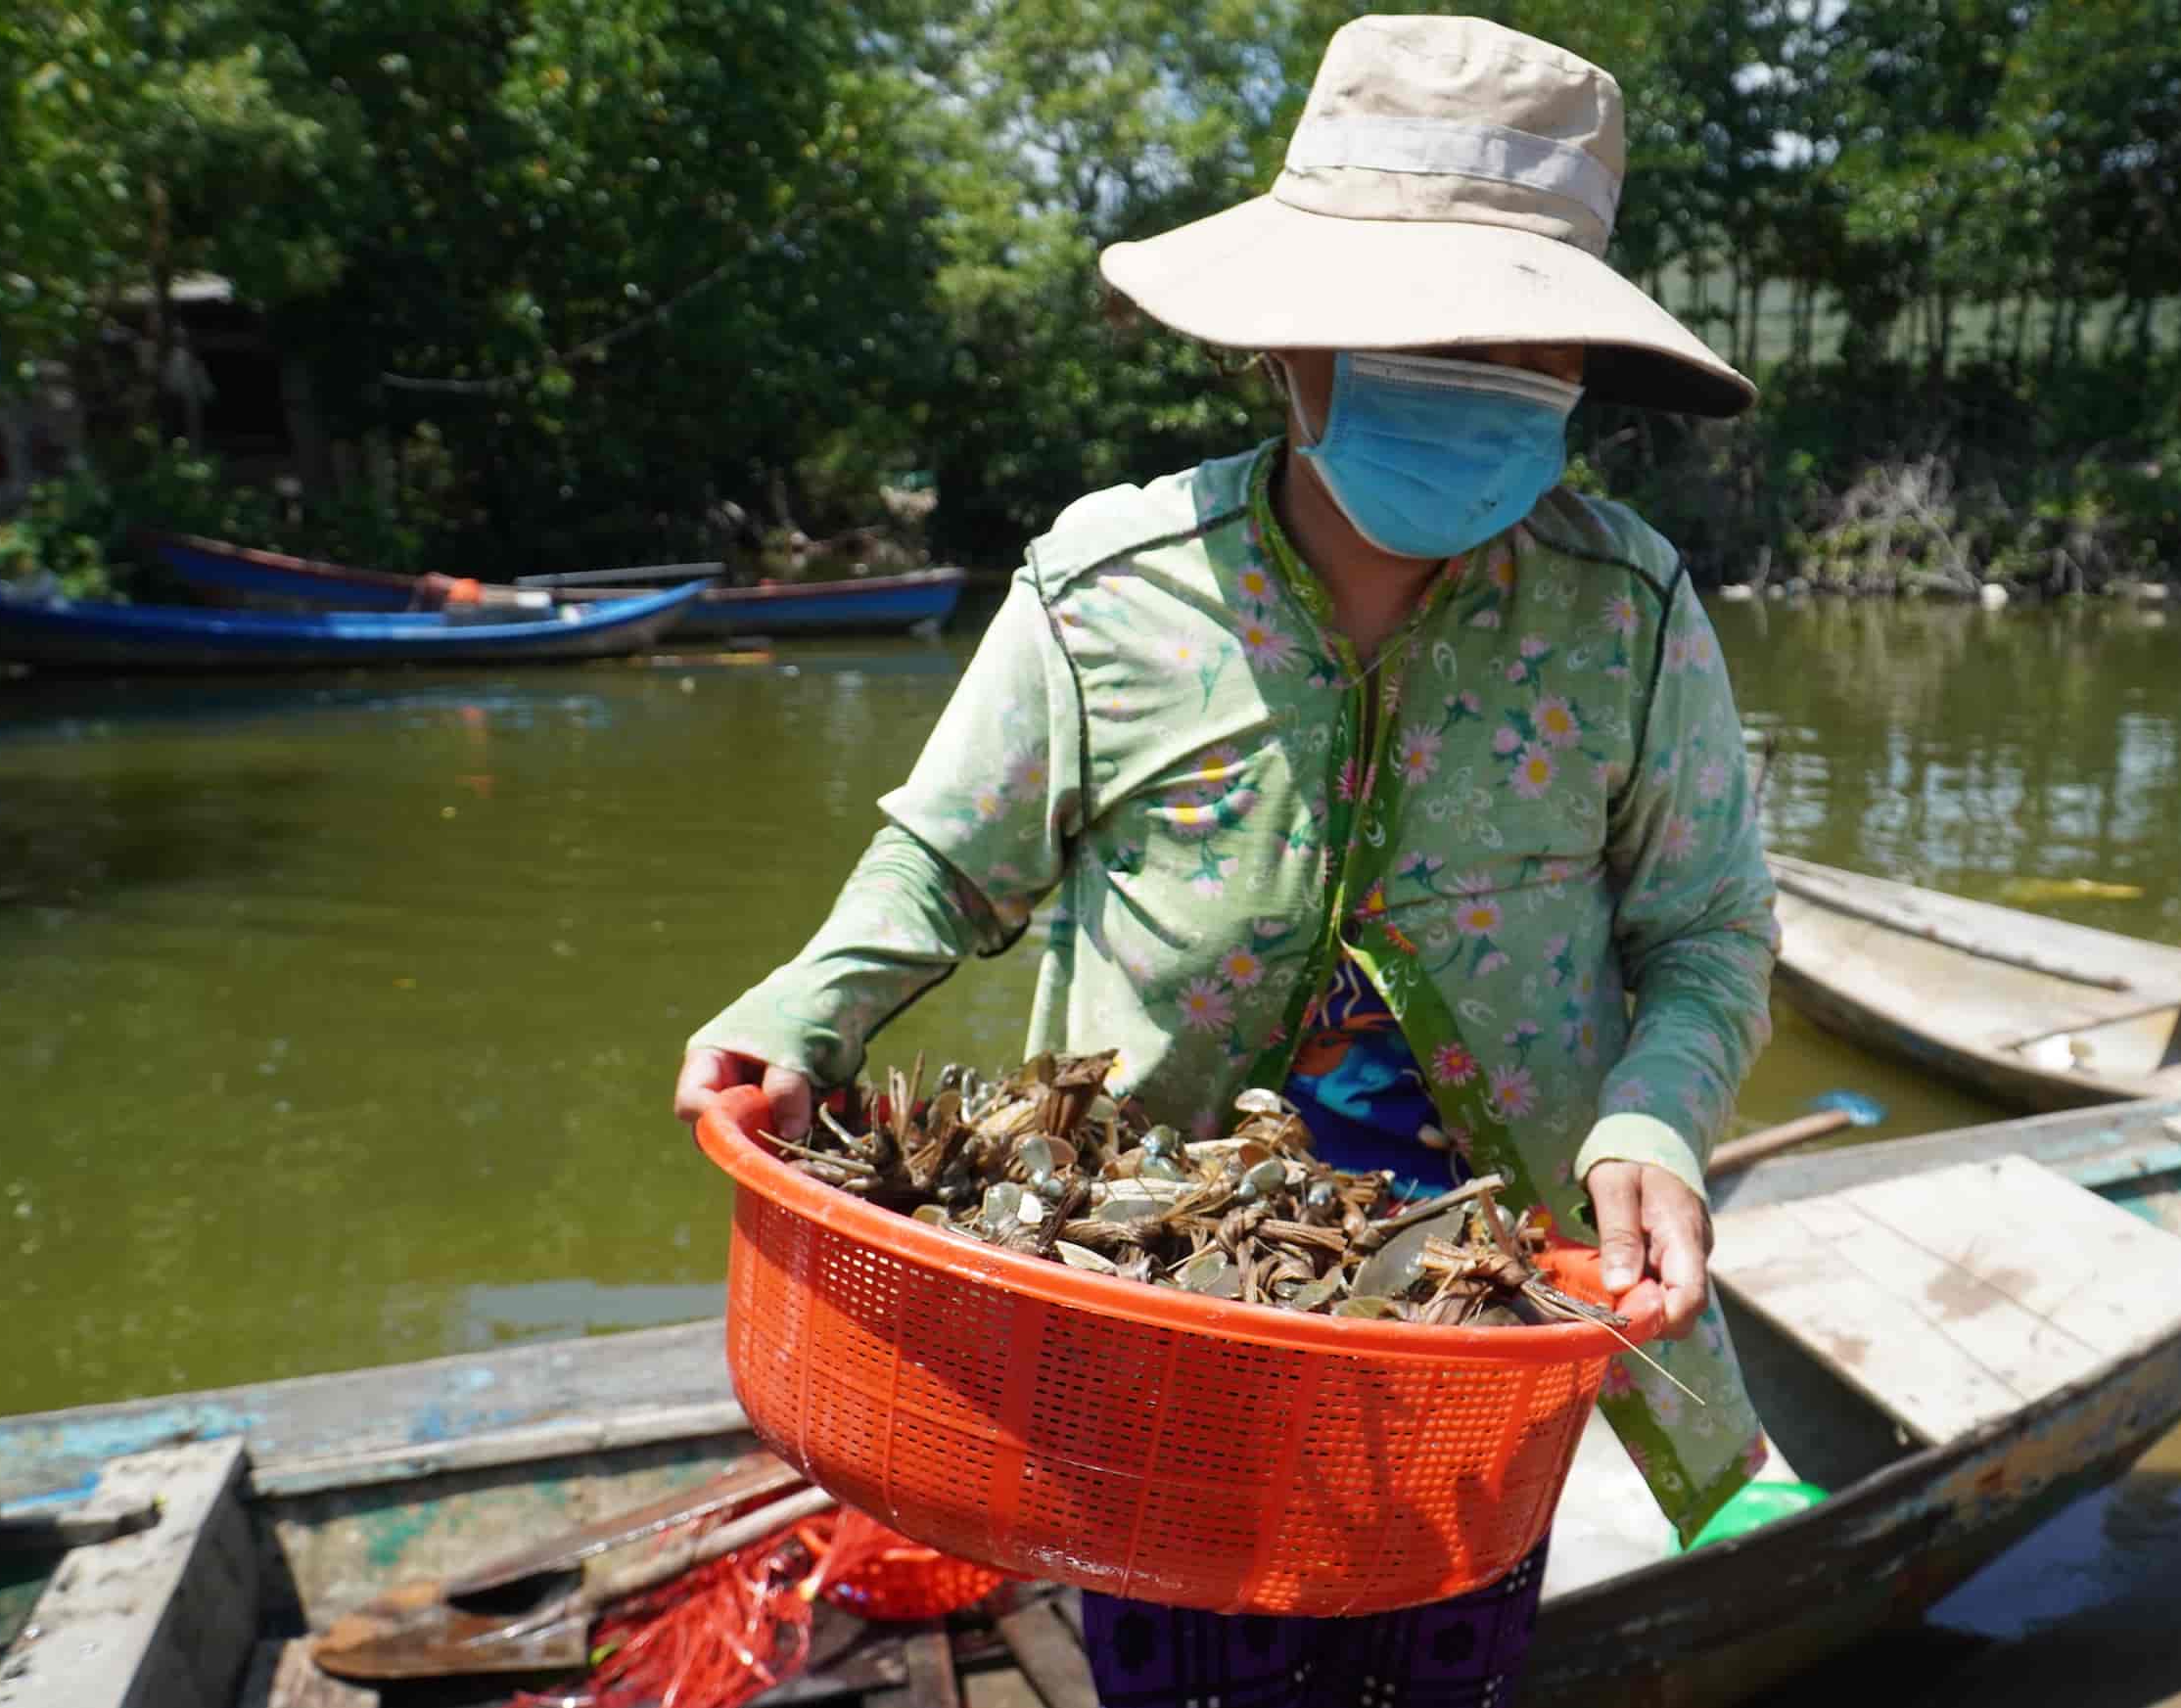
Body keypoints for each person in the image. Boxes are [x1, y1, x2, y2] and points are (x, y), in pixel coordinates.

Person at [674, 15, 1779, 1703]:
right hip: (1150, 1307)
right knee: (1171, 1658)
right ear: (1289, 346)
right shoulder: (1109, 585)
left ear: (1579, 364)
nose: (1479, 367)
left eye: (1522, 340)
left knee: (1443, 1662)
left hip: (1472, 1333)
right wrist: (807, 1009)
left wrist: (1653, 1121)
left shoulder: (1622, 608)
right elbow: (944, 869)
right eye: (1429, 329)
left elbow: (1706, 932)